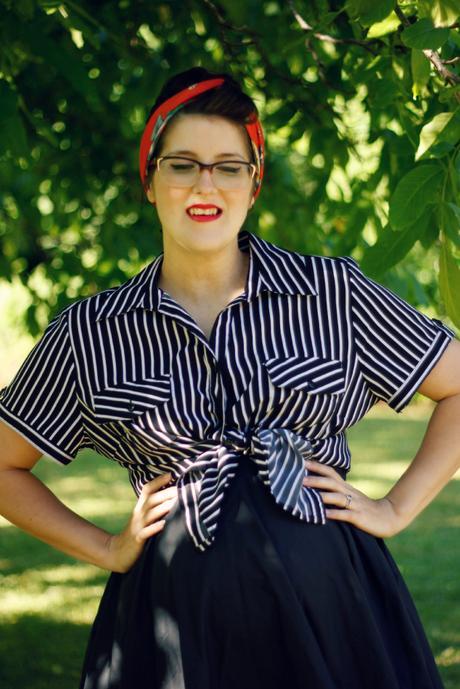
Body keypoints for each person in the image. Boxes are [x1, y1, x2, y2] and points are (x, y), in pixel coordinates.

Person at [0, 66, 459, 689]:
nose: (204, 183)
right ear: (151, 179)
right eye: (182, 163)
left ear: (254, 181)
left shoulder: (332, 294)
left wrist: (396, 507)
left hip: (335, 615)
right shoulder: (92, 330)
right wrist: (104, 548)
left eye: (228, 165)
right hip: (171, 631)